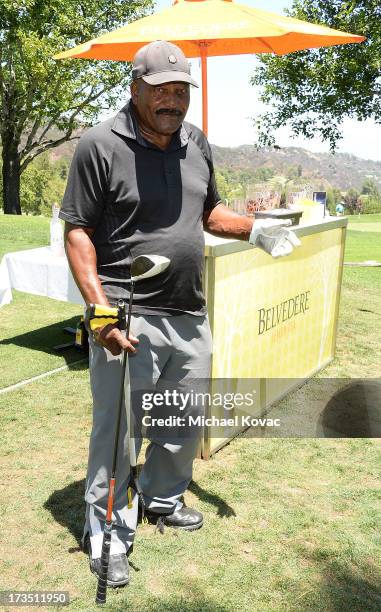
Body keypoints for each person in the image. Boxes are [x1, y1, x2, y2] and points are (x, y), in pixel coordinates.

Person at [60, 40, 299, 587]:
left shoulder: (195, 142)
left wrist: (254, 229)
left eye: (180, 90)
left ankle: (163, 497)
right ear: (135, 88)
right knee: (118, 431)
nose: (172, 100)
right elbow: (78, 231)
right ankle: (107, 530)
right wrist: (98, 314)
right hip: (127, 310)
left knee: (182, 417)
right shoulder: (100, 144)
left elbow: (208, 209)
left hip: (189, 309)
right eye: (161, 89)